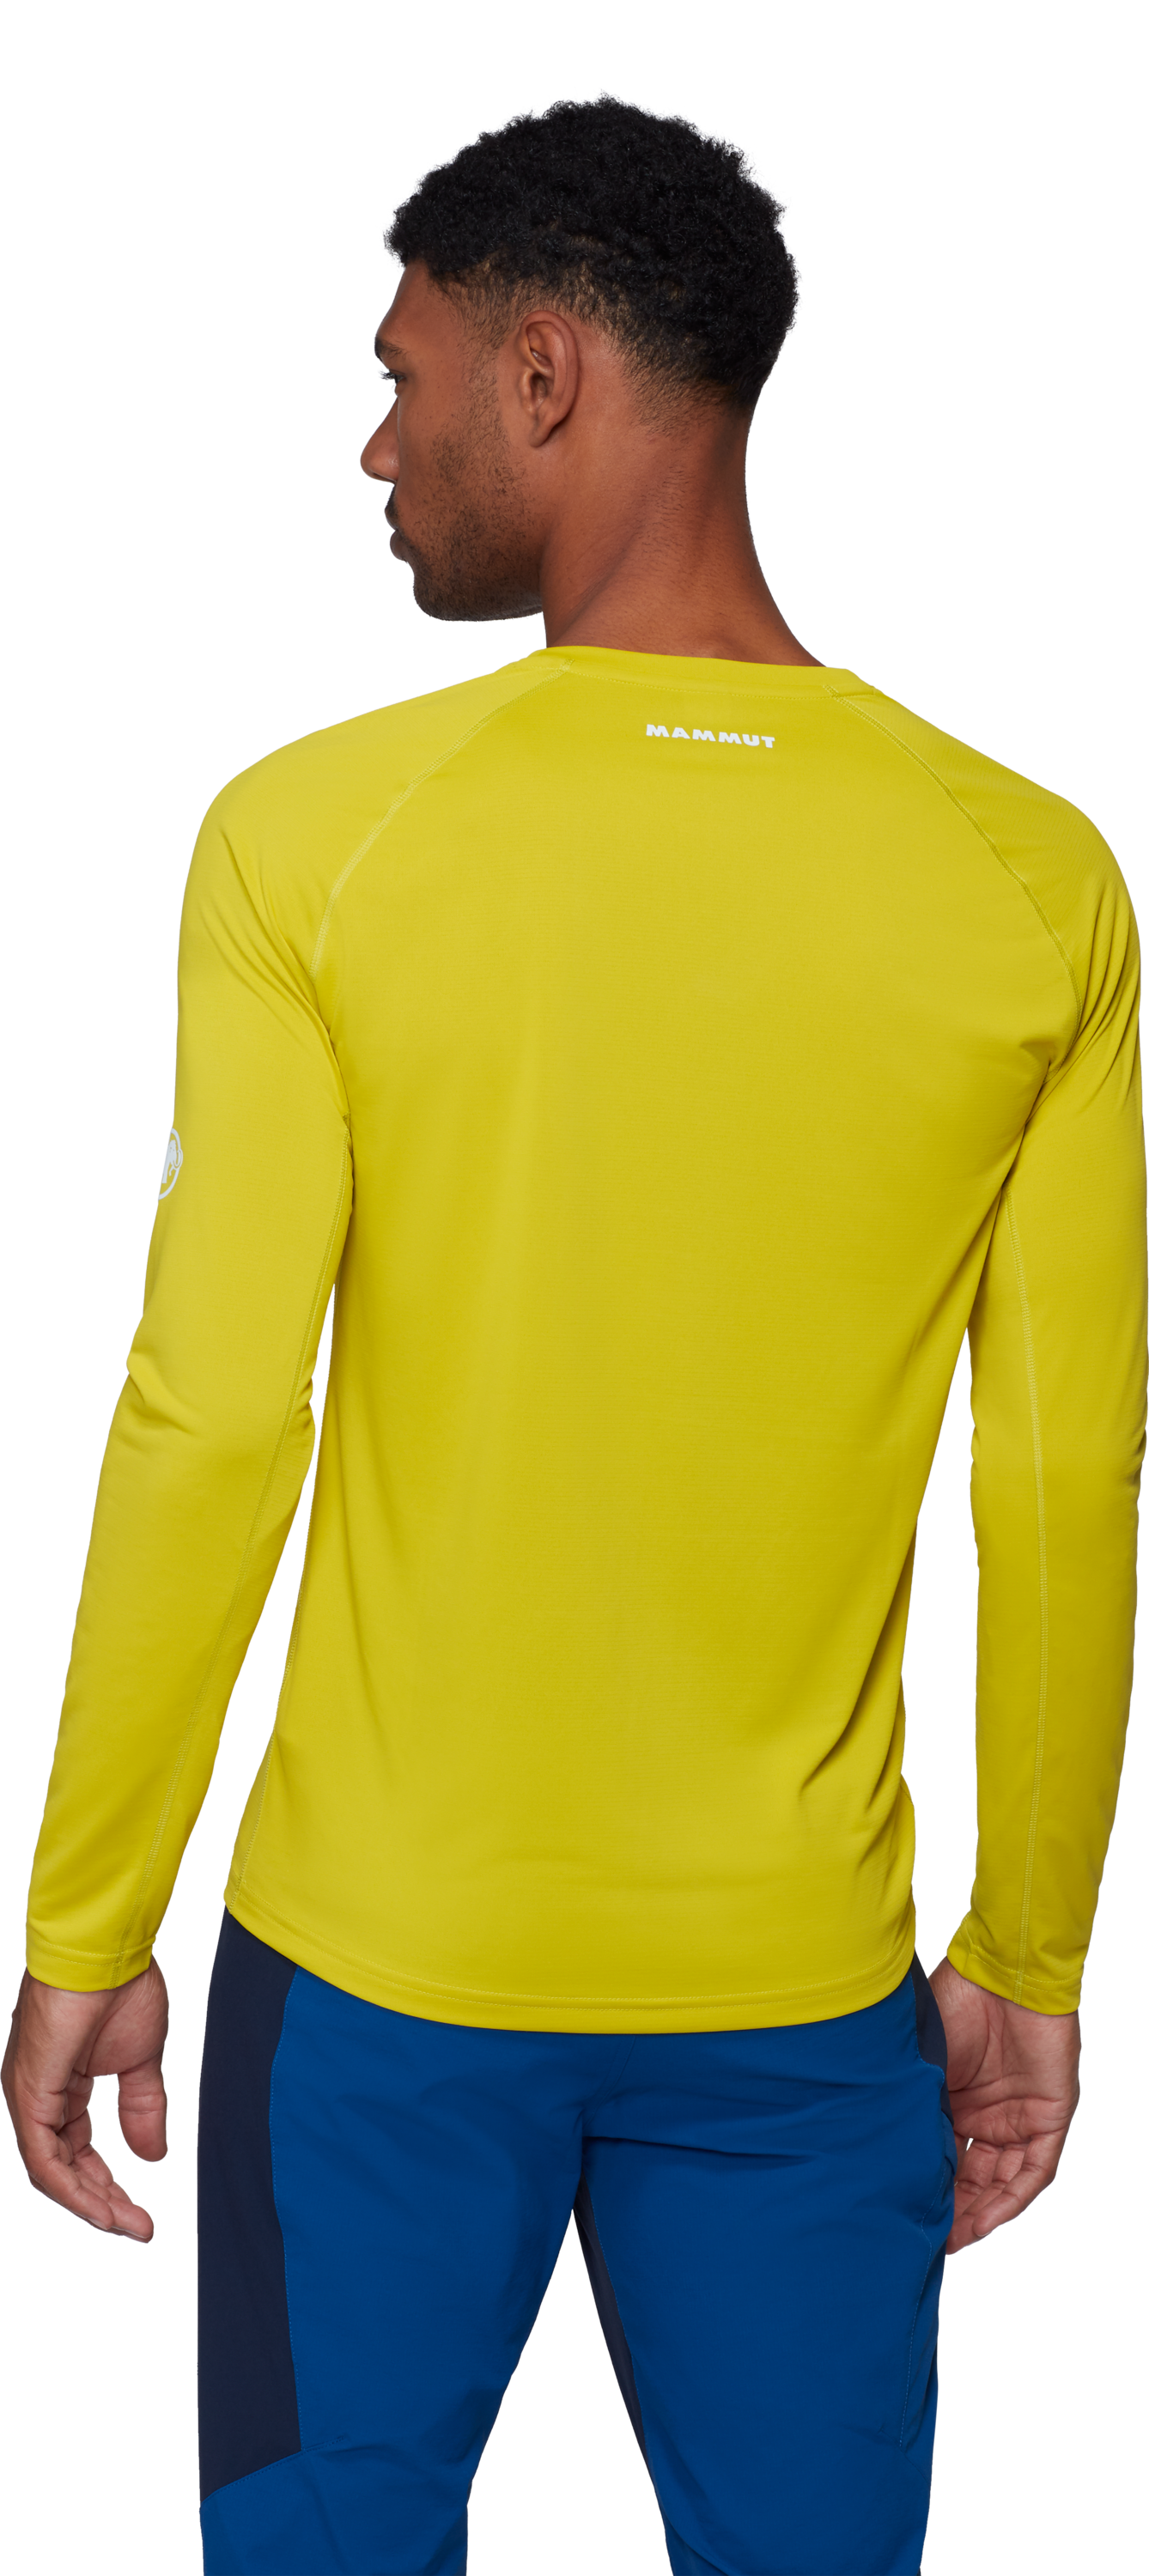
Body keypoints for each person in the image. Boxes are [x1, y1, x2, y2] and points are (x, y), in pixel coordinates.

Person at [3, 90, 1143, 2576]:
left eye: (399, 375)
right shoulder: (1026, 876)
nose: (375, 444)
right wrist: (1029, 1955)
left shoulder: (314, 837)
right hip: (803, 1996)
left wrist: (89, 1924)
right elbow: (1062, 1473)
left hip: (369, 2000)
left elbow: (213, 1417)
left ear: (545, 377)